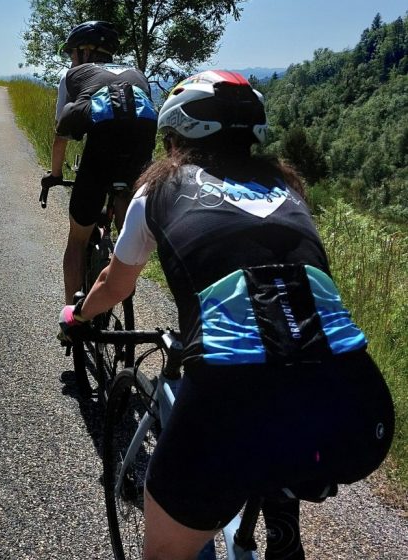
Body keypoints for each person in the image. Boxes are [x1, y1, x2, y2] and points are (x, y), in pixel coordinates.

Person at [59, 70, 395, 560]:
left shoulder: (160, 188)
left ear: (175, 137)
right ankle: (280, 499)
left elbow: (116, 283)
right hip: (359, 409)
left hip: (230, 399)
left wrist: (81, 316)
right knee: (283, 435)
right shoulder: (291, 191)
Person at [41, 21, 157, 305]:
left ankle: (71, 320)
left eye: (72, 53)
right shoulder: (137, 74)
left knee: (77, 241)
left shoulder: (74, 74)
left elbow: (62, 134)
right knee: (127, 214)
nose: (71, 59)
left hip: (100, 147)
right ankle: (122, 271)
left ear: (84, 51)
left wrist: (55, 175)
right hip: (141, 143)